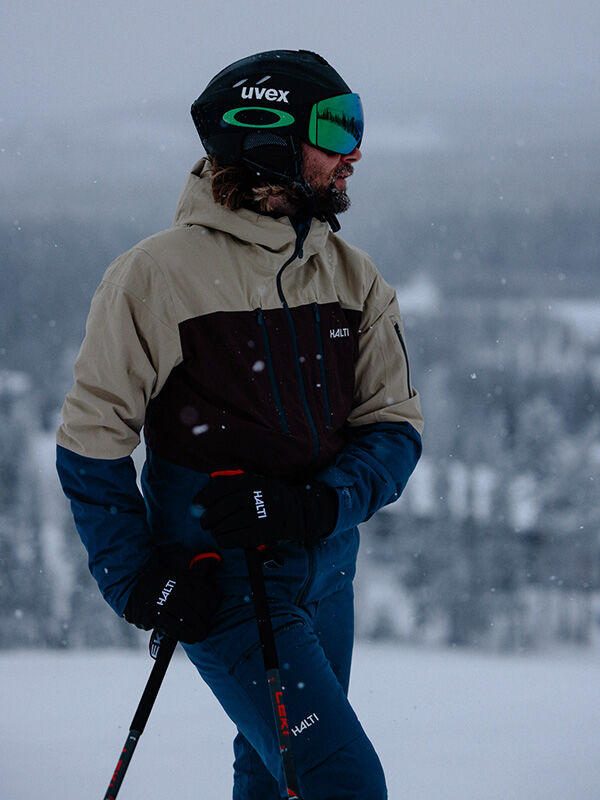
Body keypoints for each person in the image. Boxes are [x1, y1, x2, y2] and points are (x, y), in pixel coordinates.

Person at [56, 49, 423, 800]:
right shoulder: (155, 278)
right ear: (268, 136)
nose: (353, 153)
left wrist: (316, 505)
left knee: (272, 774)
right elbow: (91, 444)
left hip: (327, 575)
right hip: (226, 585)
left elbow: (395, 428)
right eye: (335, 128)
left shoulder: (354, 280)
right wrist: (139, 582)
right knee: (342, 787)